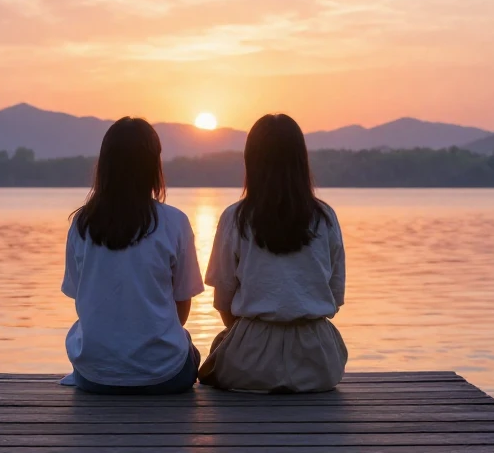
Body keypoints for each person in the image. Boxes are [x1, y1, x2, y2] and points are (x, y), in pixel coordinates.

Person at [199, 113, 347, 393]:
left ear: (251, 162)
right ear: (301, 161)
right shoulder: (325, 217)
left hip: (251, 361)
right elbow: (335, 299)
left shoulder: (235, 218)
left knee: (219, 348)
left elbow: (223, 302)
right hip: (317, 363)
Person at [61, 117, 204, 394]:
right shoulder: (174, 222)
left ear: (105, 165)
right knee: (188, 348)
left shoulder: (82, 224)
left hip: (94, 376)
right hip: (165, 377)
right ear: (153, 166)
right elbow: (181, 309)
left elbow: (81, 299)